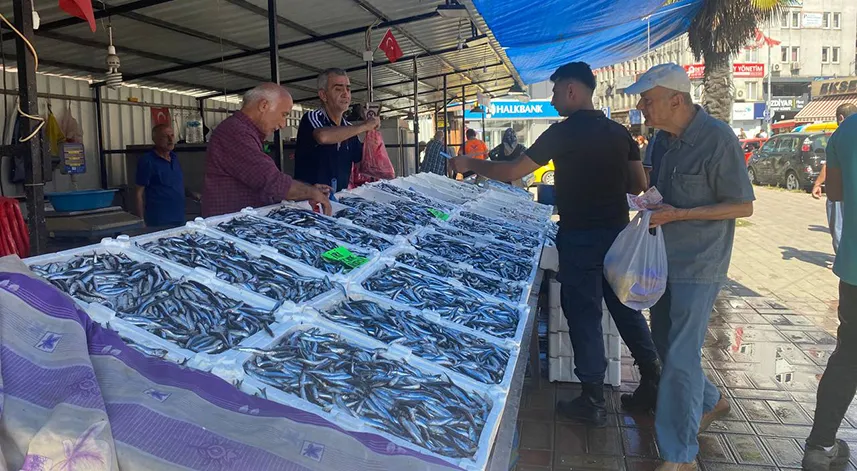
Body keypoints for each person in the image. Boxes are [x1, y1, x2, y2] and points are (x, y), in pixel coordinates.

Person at [450, 62, 661, 425]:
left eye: (555, 91)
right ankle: (653, 378)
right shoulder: (620, 133)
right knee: (625, 308)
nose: (551, 99)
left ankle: (593, 399)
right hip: (617, 236)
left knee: (583, 314)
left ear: (572, 91)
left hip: (579, 238)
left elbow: (513, 171)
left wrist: (470, 161)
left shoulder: (562, 134)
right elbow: (637, 185)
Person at [626, 64, 755, 471]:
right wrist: (649, 203)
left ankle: (680, 455)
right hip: (663, 259)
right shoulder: (661, 143)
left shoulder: (718, 140)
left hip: (700, 263)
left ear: (676, 100)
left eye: (648, 99)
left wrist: (680, 214)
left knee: (680, 357)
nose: (641, 107)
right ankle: (710, 400)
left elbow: (742, 205)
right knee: (665, 342)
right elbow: (661, 191)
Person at [802, 110, 857, 471]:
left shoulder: (847, 129)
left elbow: (835, 192)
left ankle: (820, 446)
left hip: (855, 270)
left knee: (848, 357)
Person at [201, 83, 332, 217]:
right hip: (228, 226)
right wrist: (310, 193)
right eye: (284, 114)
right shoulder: (235, 132)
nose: (283, 124)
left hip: (243, 221)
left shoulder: (245, 131)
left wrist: (307, 190)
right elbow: (272, 182)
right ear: (264, 105)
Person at [294, 68, 380, 192]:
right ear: (323, 95)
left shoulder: (348, 127)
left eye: (348, 89)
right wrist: (364, 126)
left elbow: (363, 162)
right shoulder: (313, 117)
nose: (346, 94)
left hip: (338, 198)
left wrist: (373, 140)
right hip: (309, 202)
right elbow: (323, 136)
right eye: (338, 89)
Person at [811, 103, 856, 254]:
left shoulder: (839, 136)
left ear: (841, 118)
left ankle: (840, 255)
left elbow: (834, 193)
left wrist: (818, 184)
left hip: (845, 191)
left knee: (838, 225)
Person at [134, 124, 200, 228]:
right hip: (159, 221)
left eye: (172, 135)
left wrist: (191, 194)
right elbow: (138, 193)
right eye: (165, 136)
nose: (170, 139)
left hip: (180, 218)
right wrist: (141, 220)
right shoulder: (147, 161)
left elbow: (174, 184)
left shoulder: (174, 158)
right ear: (155, 139)